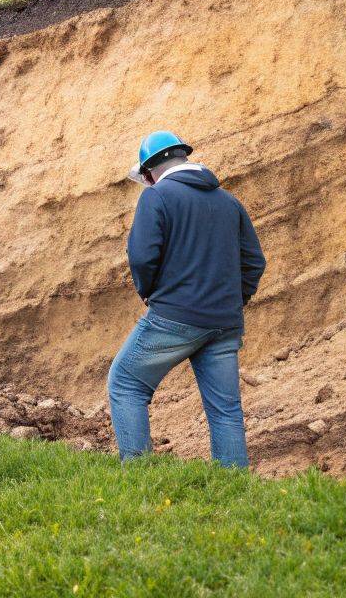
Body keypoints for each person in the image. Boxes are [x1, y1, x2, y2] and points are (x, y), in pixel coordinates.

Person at [107, 131, 266, 468]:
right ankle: (233, 487)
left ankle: (137, 476)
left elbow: (141, 256)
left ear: (149, 172)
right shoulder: (229, 202)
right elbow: (254, 261)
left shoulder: (156, 197)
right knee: (225, 410)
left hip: (174, 318)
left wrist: (147, 291)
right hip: (224, 322)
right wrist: (236, 300)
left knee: (125, 382)